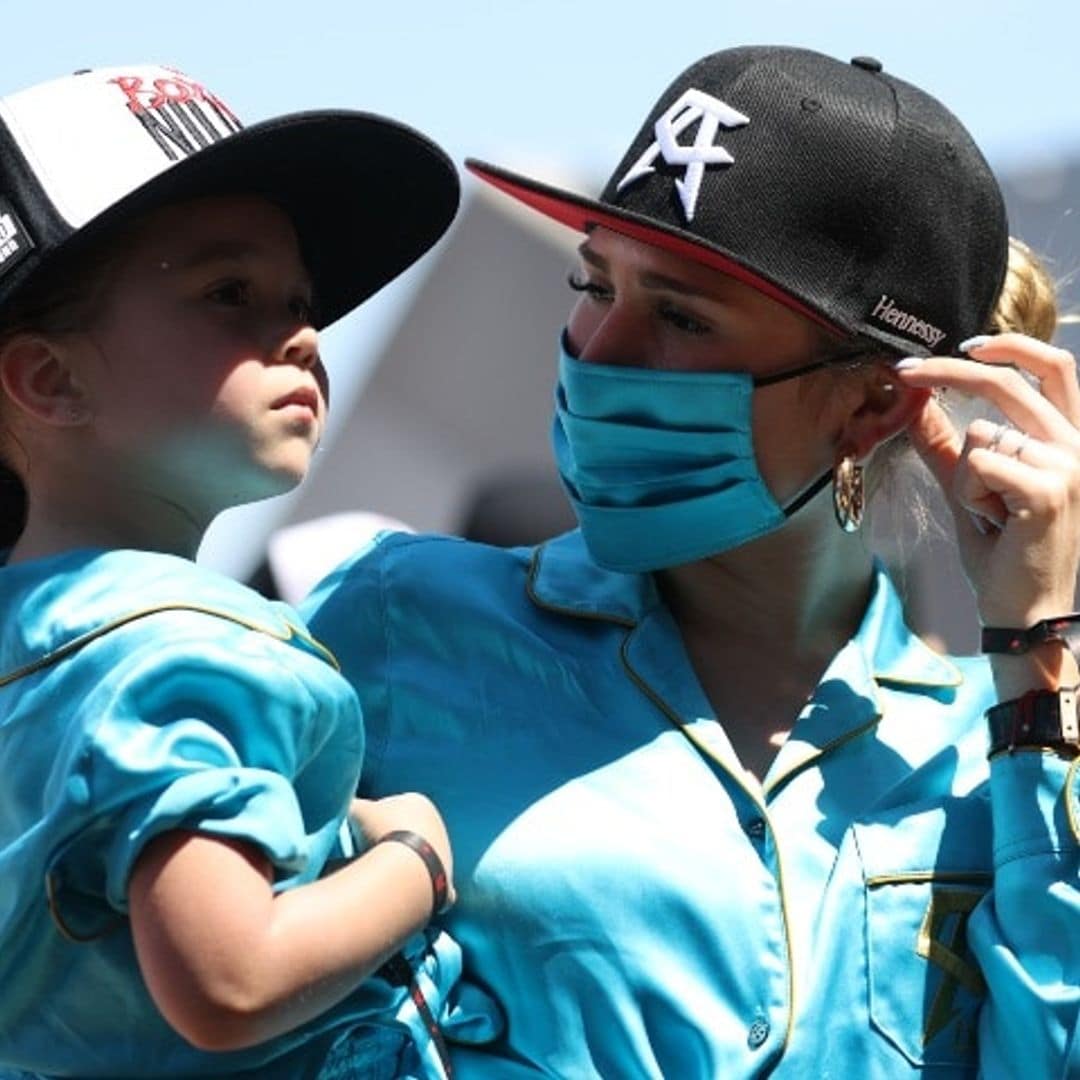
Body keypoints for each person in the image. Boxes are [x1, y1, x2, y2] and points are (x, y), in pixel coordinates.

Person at [302, 46, 1080, 1078]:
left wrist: (1035, 662)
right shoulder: (394, 622)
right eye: (594, 282)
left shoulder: (991, 751)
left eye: (680, 315)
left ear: (874, 403)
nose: (599, 349)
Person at [0, 64, 499, 1077]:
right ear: (49, 377)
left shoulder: (31, 644)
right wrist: (418, 860)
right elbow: (230, 981)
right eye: (229, 293)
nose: (306, 335)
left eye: (300, 298)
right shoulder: (183, 644)